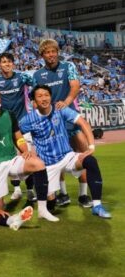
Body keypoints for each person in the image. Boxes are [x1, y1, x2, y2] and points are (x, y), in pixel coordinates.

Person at [19, 85, 111, 219]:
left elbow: (83, 123)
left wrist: (91, 147)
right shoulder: (28, 119)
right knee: (50, 206)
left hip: (67, 157)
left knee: (90, 161)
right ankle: (48, 197)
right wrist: (25, 150)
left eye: (46, 95)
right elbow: (16, 134)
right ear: (33, 101)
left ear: (51, 96)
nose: (44, 98)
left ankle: (97, 205)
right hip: (47, 164)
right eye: (40, 96)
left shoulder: (60, 109)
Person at [0, 86, 58, 222]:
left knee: (38, 163)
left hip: (11, 160)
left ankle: (43, 209)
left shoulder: (9, 114)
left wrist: (25, 150)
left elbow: (18, 137)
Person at [34, 39, 91, 208]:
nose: (51, 55)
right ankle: (63, 194)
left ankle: (83, 195)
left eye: (53, 51)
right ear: (42, 55)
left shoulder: (68, 66)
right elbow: (39, 96)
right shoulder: (38, 75)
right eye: (47, 52)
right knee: (55, 159)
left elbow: (75, 86)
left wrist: (66, 102)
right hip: (51, 122)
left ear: (57, 52)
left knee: (82, 154)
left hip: (69, 118)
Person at [0, 52, 36, 202]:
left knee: (27, 156)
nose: (7, 64)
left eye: (9, 61)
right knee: (10, 159)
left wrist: (32, 98)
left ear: (13, 64)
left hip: (24, 123)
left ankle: (30, 190)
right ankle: (17, 189)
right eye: (3, 62)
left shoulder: (22, 77)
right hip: (6, 125)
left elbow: (36, 85)